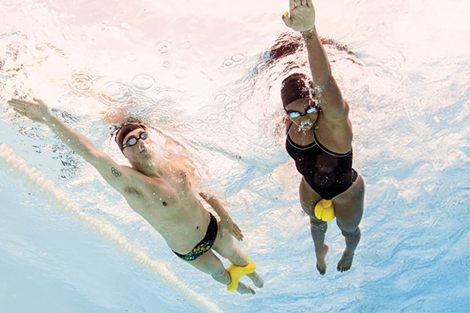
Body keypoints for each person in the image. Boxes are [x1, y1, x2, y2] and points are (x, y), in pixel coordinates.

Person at [8, 97, 263, 294]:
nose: (140, 143)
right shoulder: (132, 183)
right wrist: (50, 119)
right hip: (190, 250)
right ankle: (238, 288)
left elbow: (204, 189)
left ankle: (250, 275)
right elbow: (93, 156)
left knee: (238, 257)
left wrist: (226, 217)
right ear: (124, 155)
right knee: (219, 274)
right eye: (130, 142)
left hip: (212, 227)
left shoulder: (174, 161)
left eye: (142, 136)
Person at [281, 0, 365, 275]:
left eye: (310, 107)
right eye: (294, 113)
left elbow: (325, 83)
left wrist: (308, 33)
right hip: (311, 187)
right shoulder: (290, 123)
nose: (303, 117)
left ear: (318, 103)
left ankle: (349, 251)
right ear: (285, 113)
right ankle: (320, 251)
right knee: (316, 225)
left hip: (346, 190)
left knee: (349, 229)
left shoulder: (335, 125)